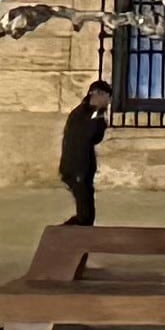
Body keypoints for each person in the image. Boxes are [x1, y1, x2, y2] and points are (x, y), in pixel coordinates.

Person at [58, 79, 114, 227]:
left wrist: (100, 117)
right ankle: (62, 235)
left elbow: (96, 138)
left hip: (83, 169)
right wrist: (78, 173)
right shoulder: (81, 114)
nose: (108, 102)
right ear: (96, 94)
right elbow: (84, 138)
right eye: (107, 98)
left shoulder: (93, 113)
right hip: (77, 168)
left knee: (87, 213)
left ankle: (77, 238)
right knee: (84, 216)